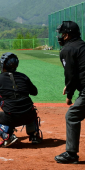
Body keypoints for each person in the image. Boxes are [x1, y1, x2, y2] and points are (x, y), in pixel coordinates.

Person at [0, 52, 42, 148]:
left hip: (11, 118)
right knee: (31, 109)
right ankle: (34, 135)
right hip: (29, 115)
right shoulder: (24, 76)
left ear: (3, 64)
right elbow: (34, 92)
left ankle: (7, 136)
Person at [54, 21, 85, 164]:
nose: (61, 36)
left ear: (67, 35)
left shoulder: (67, 50)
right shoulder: (82, 46)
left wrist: (69, 95)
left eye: (62, 34)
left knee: (72, 115)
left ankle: (71, 154)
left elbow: (70, 75)